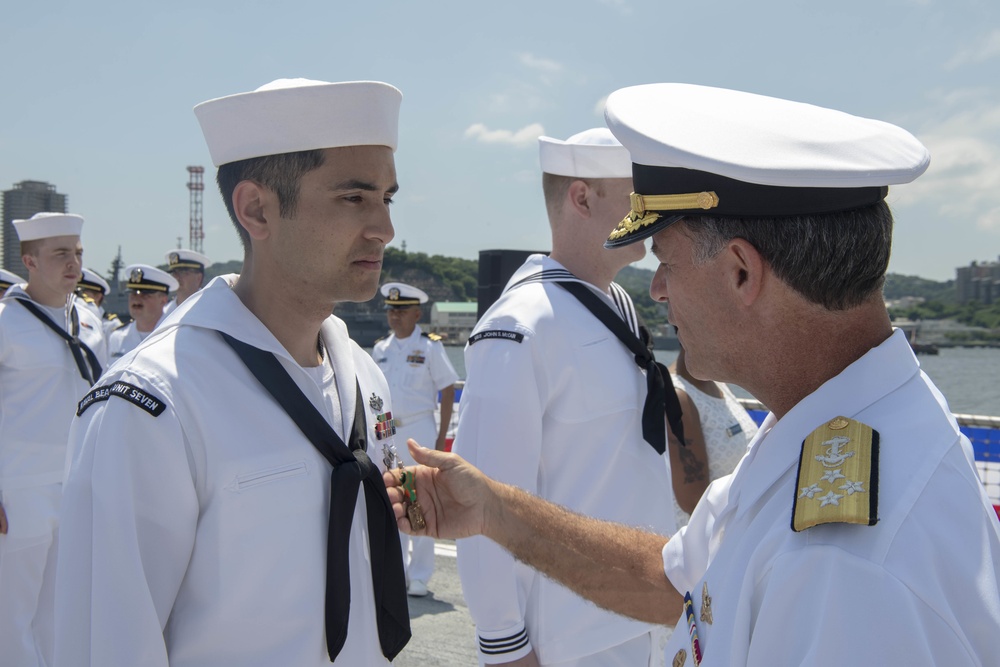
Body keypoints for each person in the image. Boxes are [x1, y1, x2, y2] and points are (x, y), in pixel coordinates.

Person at [386, 83, 1000, 666]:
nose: (654, 289)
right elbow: (674, 577)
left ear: (740, 273)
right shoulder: (833, 428)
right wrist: (494, 510)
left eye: (668, 261)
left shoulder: (843, 566)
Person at [54, 78, 410, 666]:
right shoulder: (155, 402)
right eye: (354, 198)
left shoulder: (363, 377)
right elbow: (103, 642)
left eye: (387, 199)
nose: (384, 228)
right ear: (256, 209)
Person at [452, 128, 677, 666]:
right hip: (567, 638)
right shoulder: (519, 327)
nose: (653, 208)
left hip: (642, 622)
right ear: (582, 197)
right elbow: (479, 500)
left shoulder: (616, 304)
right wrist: (503, 642)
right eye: (637, 193)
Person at [0, 212, 107, 667]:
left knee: (60, 612)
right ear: (30, 260)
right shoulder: (5, 322)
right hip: (17, 486)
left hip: (76, 483)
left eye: (78, 253)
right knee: (10, 614)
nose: (74, 263)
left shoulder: (91, 321)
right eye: (60, 253)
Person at [371, 281, 458, 598]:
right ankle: (397, 570)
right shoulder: (381, 348)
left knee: (419, 499)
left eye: (402, 311)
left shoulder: (430, 347)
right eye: (392, 311)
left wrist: (439, 437)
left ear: (417, 314)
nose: (395, 316)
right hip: (388, 431)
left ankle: (419, 575)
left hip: (419, 429)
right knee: (392, 499)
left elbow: (447, 388)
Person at [666, 342, 759, 526]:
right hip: (714, 541)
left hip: (740, 524)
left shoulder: (718, 383)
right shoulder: (677, 396)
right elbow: (694, 502)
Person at [107, 264, 177, 359]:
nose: (136, 300)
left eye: (145, 295)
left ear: (163, 300)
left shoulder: (175, 338)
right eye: (133, 294)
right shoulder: (117, 338)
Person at [162, 248, 212, 317]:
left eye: (183, 272)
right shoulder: (164, 314)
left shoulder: (211, 309)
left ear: (199, 278)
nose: (177, 277)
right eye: (174, 273)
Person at [77, 267, 123, 335]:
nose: (76, 296)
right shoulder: (68, 319)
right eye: (73, 292)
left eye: (81, 293)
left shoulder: (111, 326)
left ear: (98, 297)